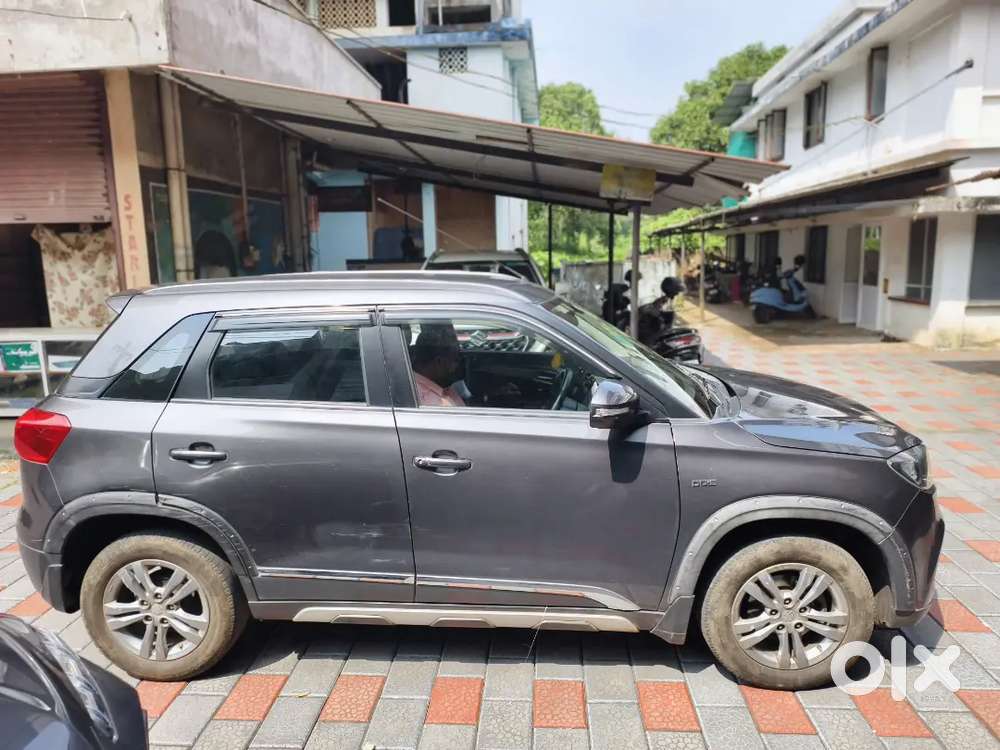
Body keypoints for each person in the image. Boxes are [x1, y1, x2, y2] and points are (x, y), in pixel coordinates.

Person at [410, 324, 466, 407]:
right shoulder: (428, 402)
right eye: (456, 360)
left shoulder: (440, 386)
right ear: (439, 362)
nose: (458, 365)